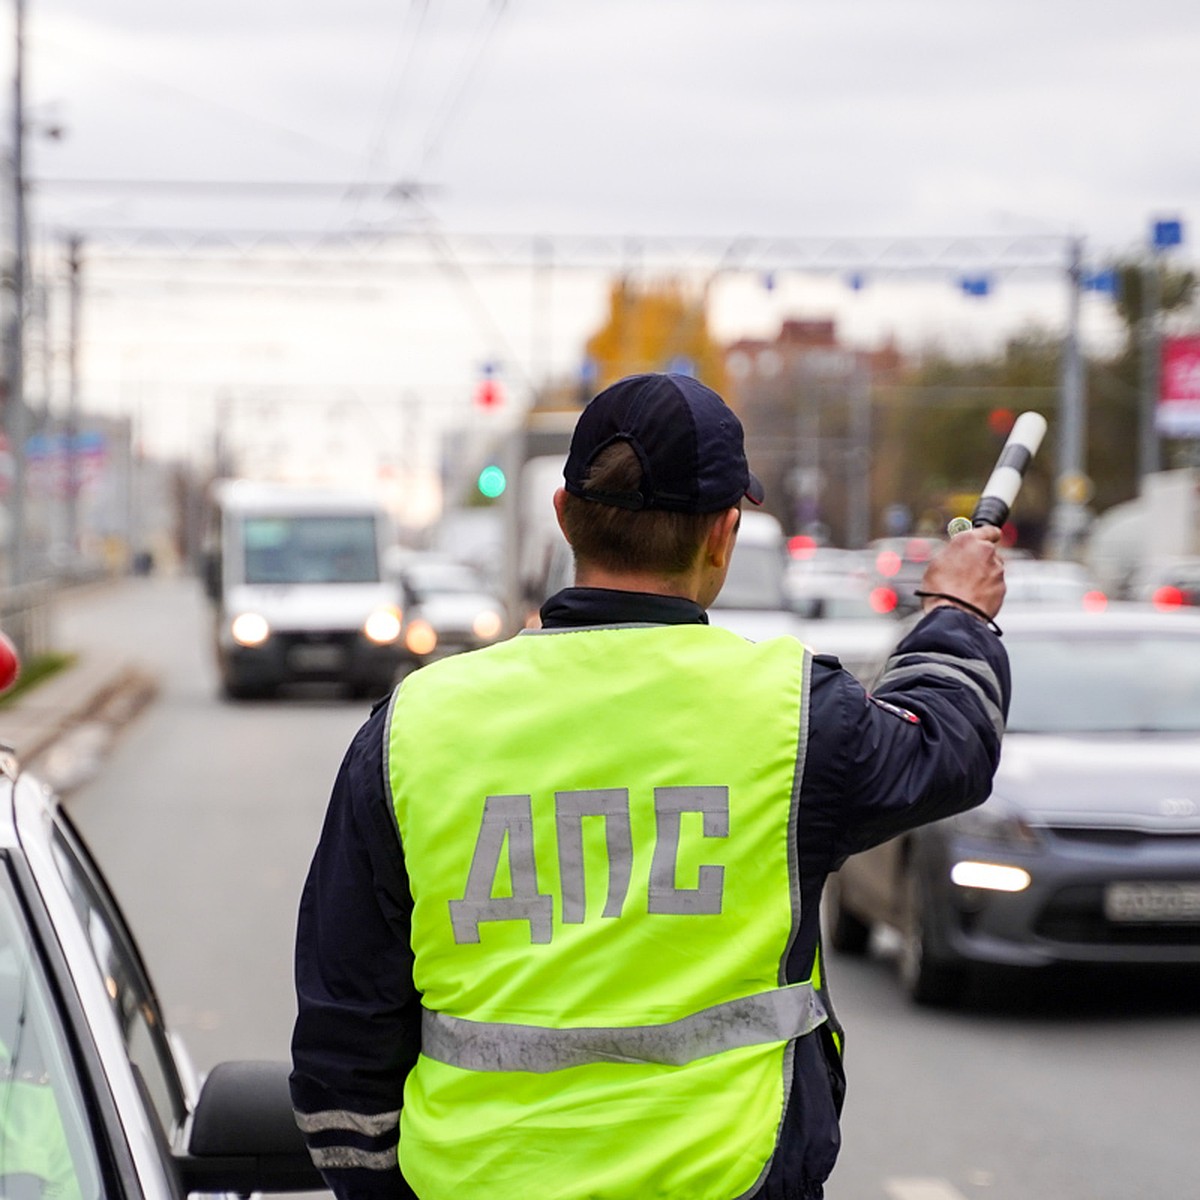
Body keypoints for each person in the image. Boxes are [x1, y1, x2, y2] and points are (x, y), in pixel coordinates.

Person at [290, 372, 1009, 1200]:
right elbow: (950, 746)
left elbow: (344, 1031)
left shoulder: (414, 725)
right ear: (724, 536)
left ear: (564, 515)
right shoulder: (794, 718)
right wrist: (958, 611)